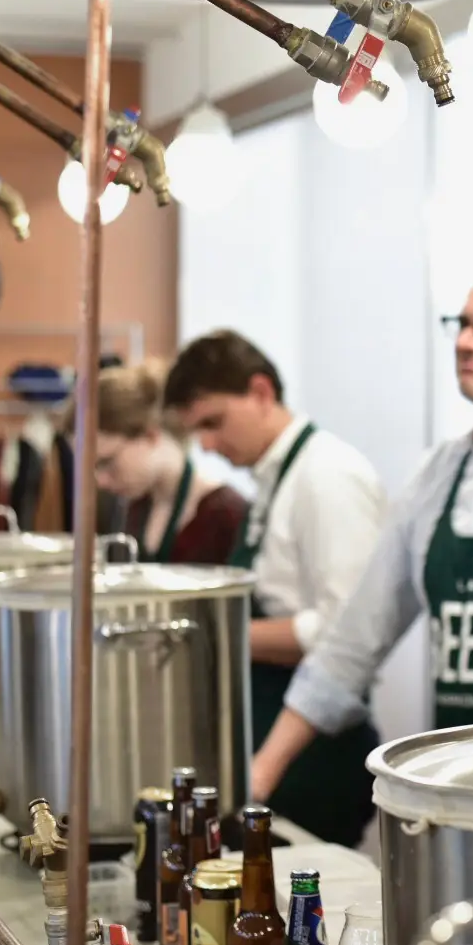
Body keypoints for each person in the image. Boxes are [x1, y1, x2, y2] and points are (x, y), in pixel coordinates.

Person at [251, 251, 473, 796]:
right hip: (464, 790)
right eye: (463, 325)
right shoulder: (437, 475)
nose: (467, 342)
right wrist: (260, 774)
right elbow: (355, 638)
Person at [163, 330, 386, 847]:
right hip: (272, 730)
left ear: (261, 392)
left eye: (213, 423)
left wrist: (219, 634)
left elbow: (345, 631)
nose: (208, 446)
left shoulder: (328, 475)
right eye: (196, 431)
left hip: (318, 752)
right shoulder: (273, 476)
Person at [69, 360, 248, 564]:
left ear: (150, 436)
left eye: (107, 462)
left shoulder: (228, 515)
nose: (100, 481)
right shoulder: (135, 508)